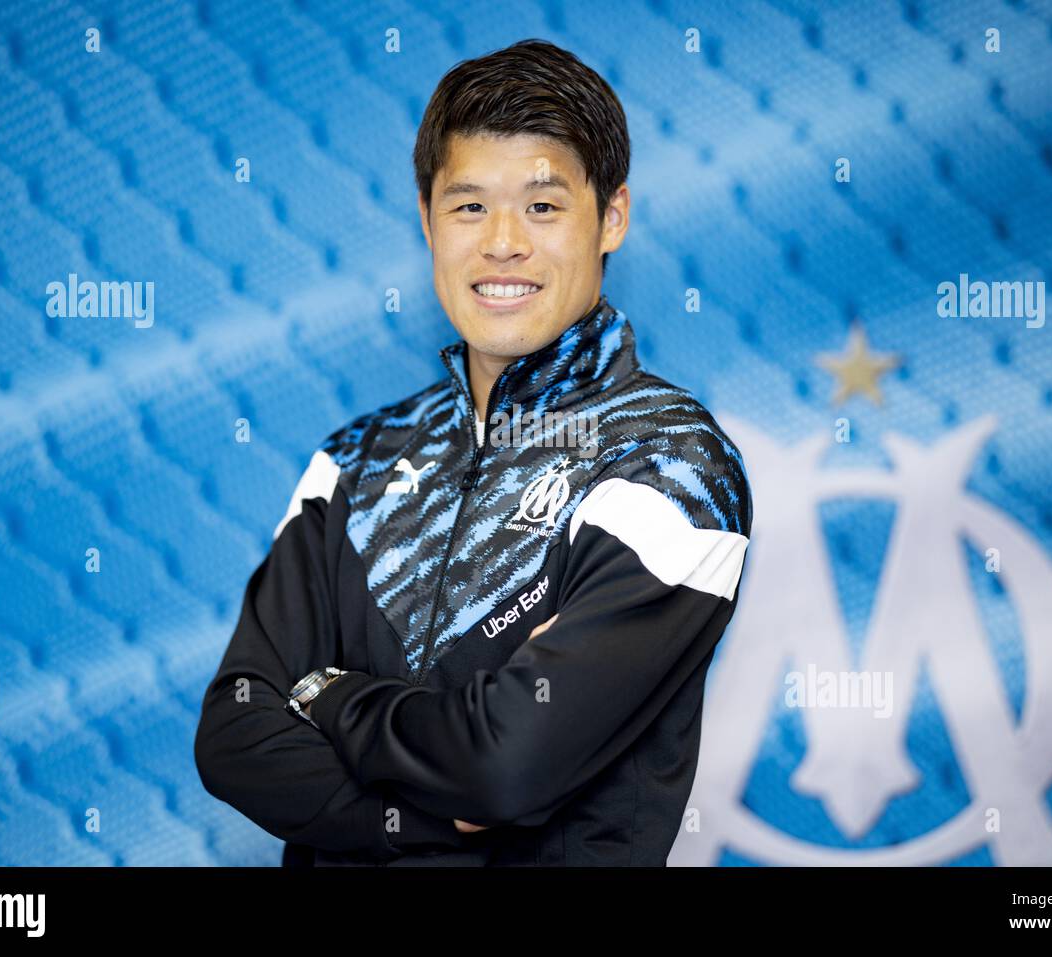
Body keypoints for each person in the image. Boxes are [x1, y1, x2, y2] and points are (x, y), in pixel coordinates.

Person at [193, 38, 753, 866]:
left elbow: (507, 764)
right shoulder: (355, 460)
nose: (502, 244)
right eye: (467, 207)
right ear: (426, 220)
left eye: (542, 206)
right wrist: (429, 813)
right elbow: (234, 731)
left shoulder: (669, 465)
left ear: (613, 217)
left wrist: (330, 693)